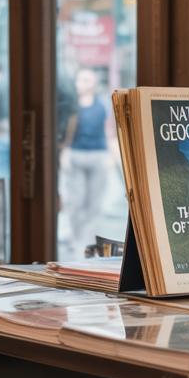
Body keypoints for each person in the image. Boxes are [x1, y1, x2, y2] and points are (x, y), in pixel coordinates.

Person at [59, 67, 114, 255]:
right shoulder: (72, 106)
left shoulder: (103, 104)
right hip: (76, 154)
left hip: (97, 155)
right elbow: (68, 131)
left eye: (86, 80)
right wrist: (65, 151)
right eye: (79, 80)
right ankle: (76, 237)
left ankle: (87, 242)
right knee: (75, 200)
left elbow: (108, 131)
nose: (81, 84)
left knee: (94, 203)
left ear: (94, 83)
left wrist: (111, 155)